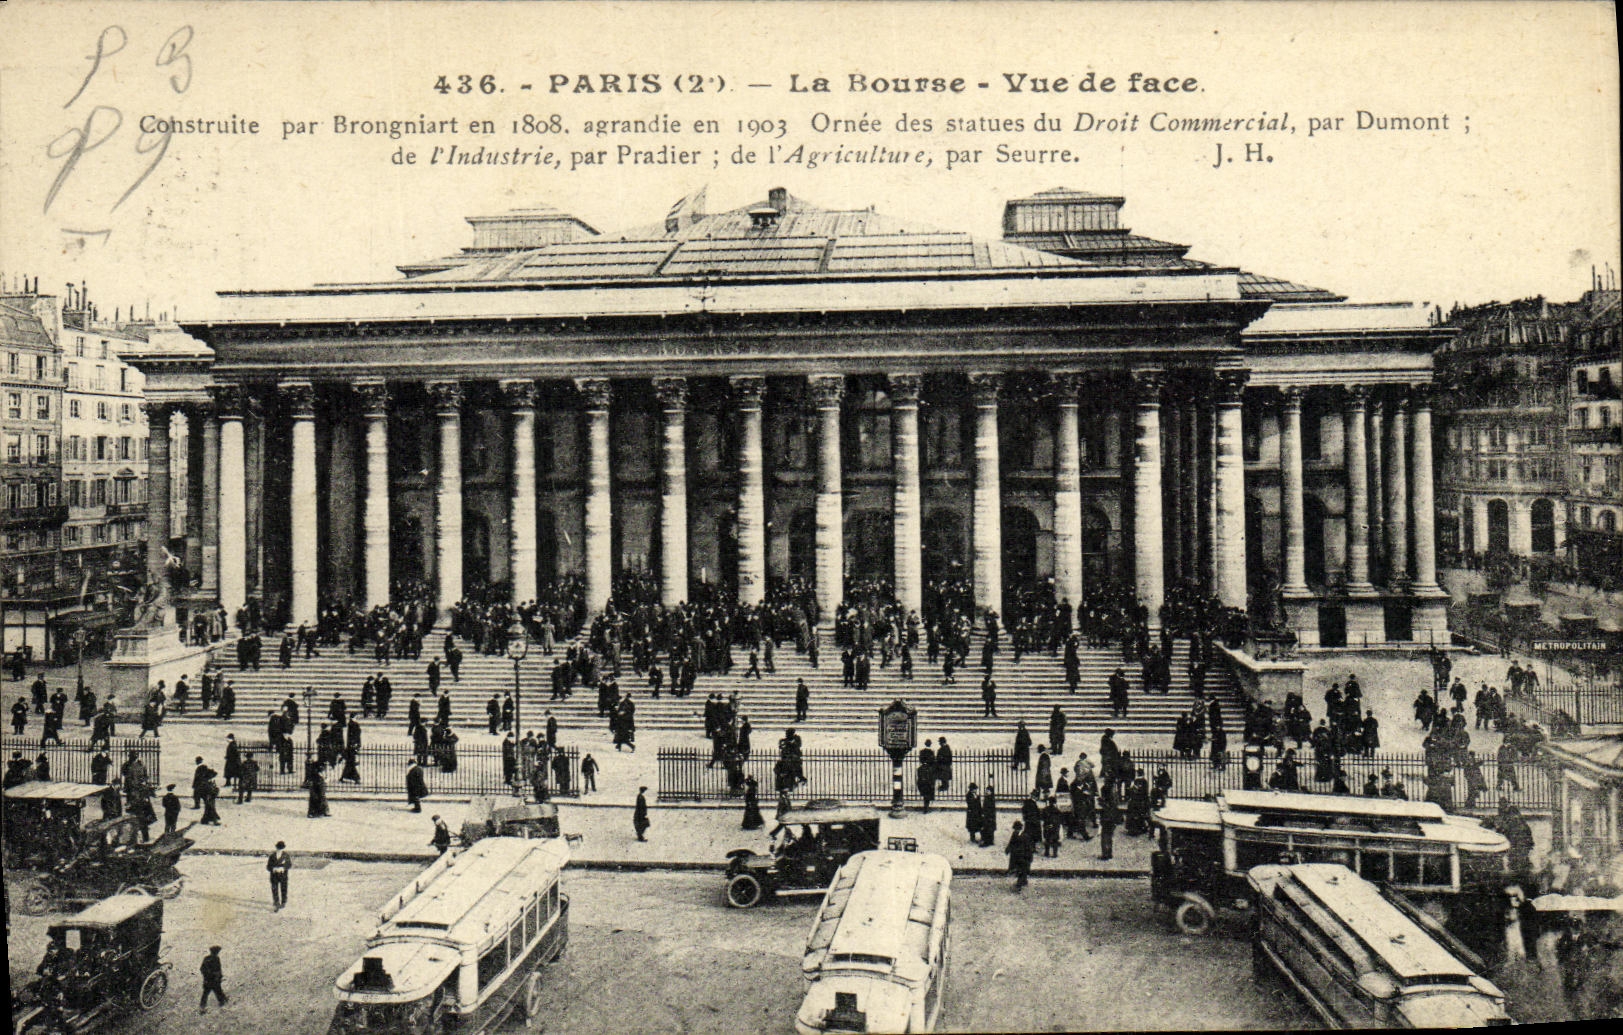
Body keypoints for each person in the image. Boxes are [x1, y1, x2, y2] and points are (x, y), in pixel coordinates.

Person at [1006, 819, 1035, 892]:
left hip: (1024, 856)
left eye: (1016, 829)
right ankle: (1024, 880)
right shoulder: (1015, 834)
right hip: (1017, 855)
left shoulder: (1025, 835)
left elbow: (1029, 847)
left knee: (1022, 869)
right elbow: (1011, 842)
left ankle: (1019, 885)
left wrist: (1030, 856)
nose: (1015, 830)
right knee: (1021, 869)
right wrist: (1008, 849)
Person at [199, 947, 228, 1014]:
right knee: (218, 994)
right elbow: (217, 970)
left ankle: (202, 1008)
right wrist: (215, 975)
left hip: (209, 980)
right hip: (213, 980)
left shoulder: (207, 958)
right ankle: (223, 1006)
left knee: (206, 994)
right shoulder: (215, 959)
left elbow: (202, 969)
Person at [267, 841, 291, 911]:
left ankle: (283, 902)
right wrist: (273, 869)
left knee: (284, 889)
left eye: (281, 848)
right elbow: (268, 866)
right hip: (274, 875)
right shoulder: (272, 856)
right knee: (274, 889)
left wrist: (283, 868)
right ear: (276, 847)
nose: (279, 849)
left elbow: (289, 865)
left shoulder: (286, 856)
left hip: (283, 875)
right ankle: (276, 903)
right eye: (278, 848)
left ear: (283, 848)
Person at [1098, 794, 1120, 861]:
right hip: (1111, 821)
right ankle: (1109, 853)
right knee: (1109, 838)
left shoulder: (1105, 805)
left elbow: (1104, 811)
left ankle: (1105, 854)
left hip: (1106, 821)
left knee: (1104, 838)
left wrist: (1100, 801)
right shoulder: (1113, 803)